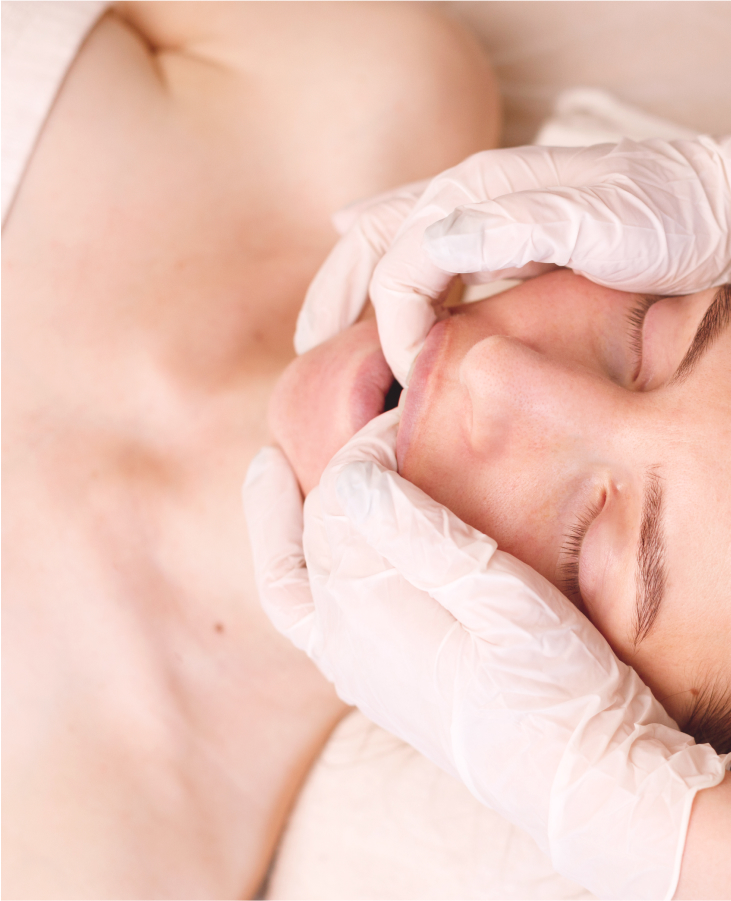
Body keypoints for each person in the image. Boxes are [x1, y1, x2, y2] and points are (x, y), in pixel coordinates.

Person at [246, 63, 731, 897]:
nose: (499, 370)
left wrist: (648, 822)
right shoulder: (366, 82)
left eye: (583, 545)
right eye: (646, 336)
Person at [1, 3, 500, 897]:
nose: (520, 387)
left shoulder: (103, 866)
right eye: (649, 346)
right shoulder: (374, 95)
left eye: (603, 531)